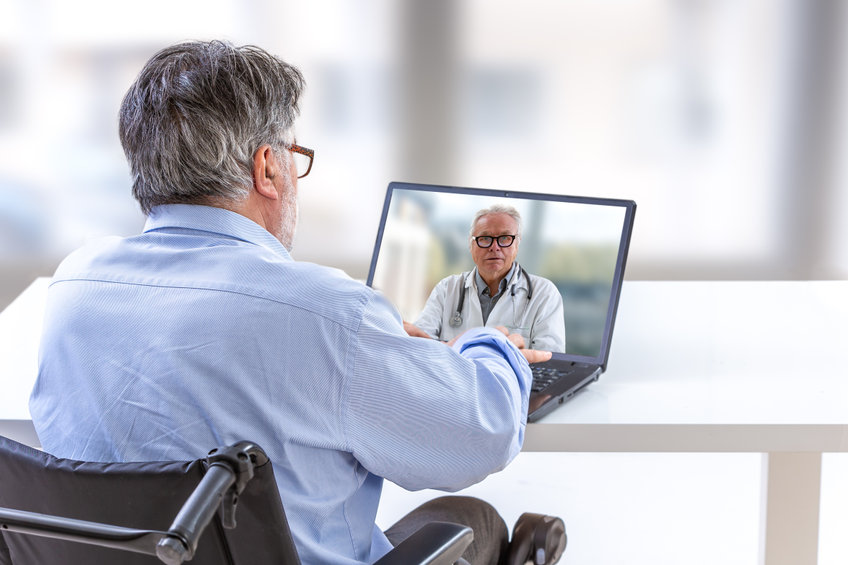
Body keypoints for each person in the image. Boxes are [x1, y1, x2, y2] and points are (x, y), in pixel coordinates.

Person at [28, 41, 565, 565]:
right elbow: (485, 432)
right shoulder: (328, 313)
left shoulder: (74, 285)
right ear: (266, 168)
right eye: (294, 156)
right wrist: (493, 343)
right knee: (472, 517)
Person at [405, 205, 566, 352]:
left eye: (504, 238)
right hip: (453, 382)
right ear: (471, 244)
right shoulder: (447, 289)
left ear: (517, 244)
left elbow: (549, 360)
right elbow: (420, 345)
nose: (494, 247)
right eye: (485, 238)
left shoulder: (544, 293)